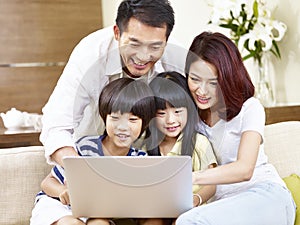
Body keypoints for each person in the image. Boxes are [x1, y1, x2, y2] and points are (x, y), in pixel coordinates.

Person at [40, 0, 186, 167]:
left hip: (146, 159)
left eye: (155, 47)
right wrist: (79, 170)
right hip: (89, 156)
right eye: (134, 44)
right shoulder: (90, 55)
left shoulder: (177, 60)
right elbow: (57, 124)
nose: (143, 57)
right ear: (117, 33)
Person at [175, 32, 296, 225]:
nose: (202, 90)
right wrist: (197, 199)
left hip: (267, 196)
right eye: (195, 79)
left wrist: (192, 177)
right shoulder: (192, 118)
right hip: (224, 207)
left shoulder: (250, 108)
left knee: (189, 221)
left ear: (227, 79)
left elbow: (244, 169)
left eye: (212, 82)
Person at [30, 78, 156, 225]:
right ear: (104, 118)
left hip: (96, 213)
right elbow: (47, 183)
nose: (122, 127)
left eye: (132, 120)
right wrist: (62, 191)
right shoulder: (85, 147)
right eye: (115, 118)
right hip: (59, 207)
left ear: (144, 124)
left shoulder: (139, 160)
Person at [140, 71, 217, 225]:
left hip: (192, 209)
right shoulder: (144, 145)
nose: (171, 120)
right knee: (151, 220)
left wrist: (196, 199)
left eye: (177, 111)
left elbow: (212, 183)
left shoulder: (198, 143)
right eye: (162, 113)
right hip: (159, 208)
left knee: (181, 219)